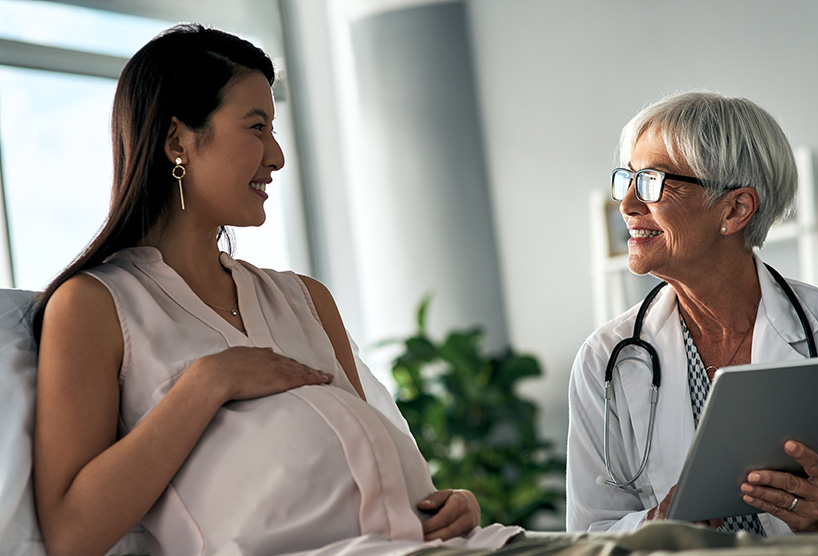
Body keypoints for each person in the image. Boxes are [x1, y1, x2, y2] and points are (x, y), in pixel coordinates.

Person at [30, 24, 506, 556]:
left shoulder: (305, 299)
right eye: (257, 127)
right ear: (175, 141)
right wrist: (208, 383)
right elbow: (72, 532)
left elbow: (364, 457)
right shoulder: (95, 306)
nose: (277, 156)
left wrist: (447, 502)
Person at [566, 92, 818, 537]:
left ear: (735, 208)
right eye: (626, 179)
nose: (627, 205)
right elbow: (589, 533)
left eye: (650, 181)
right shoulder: (605, 360)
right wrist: (656, 527)